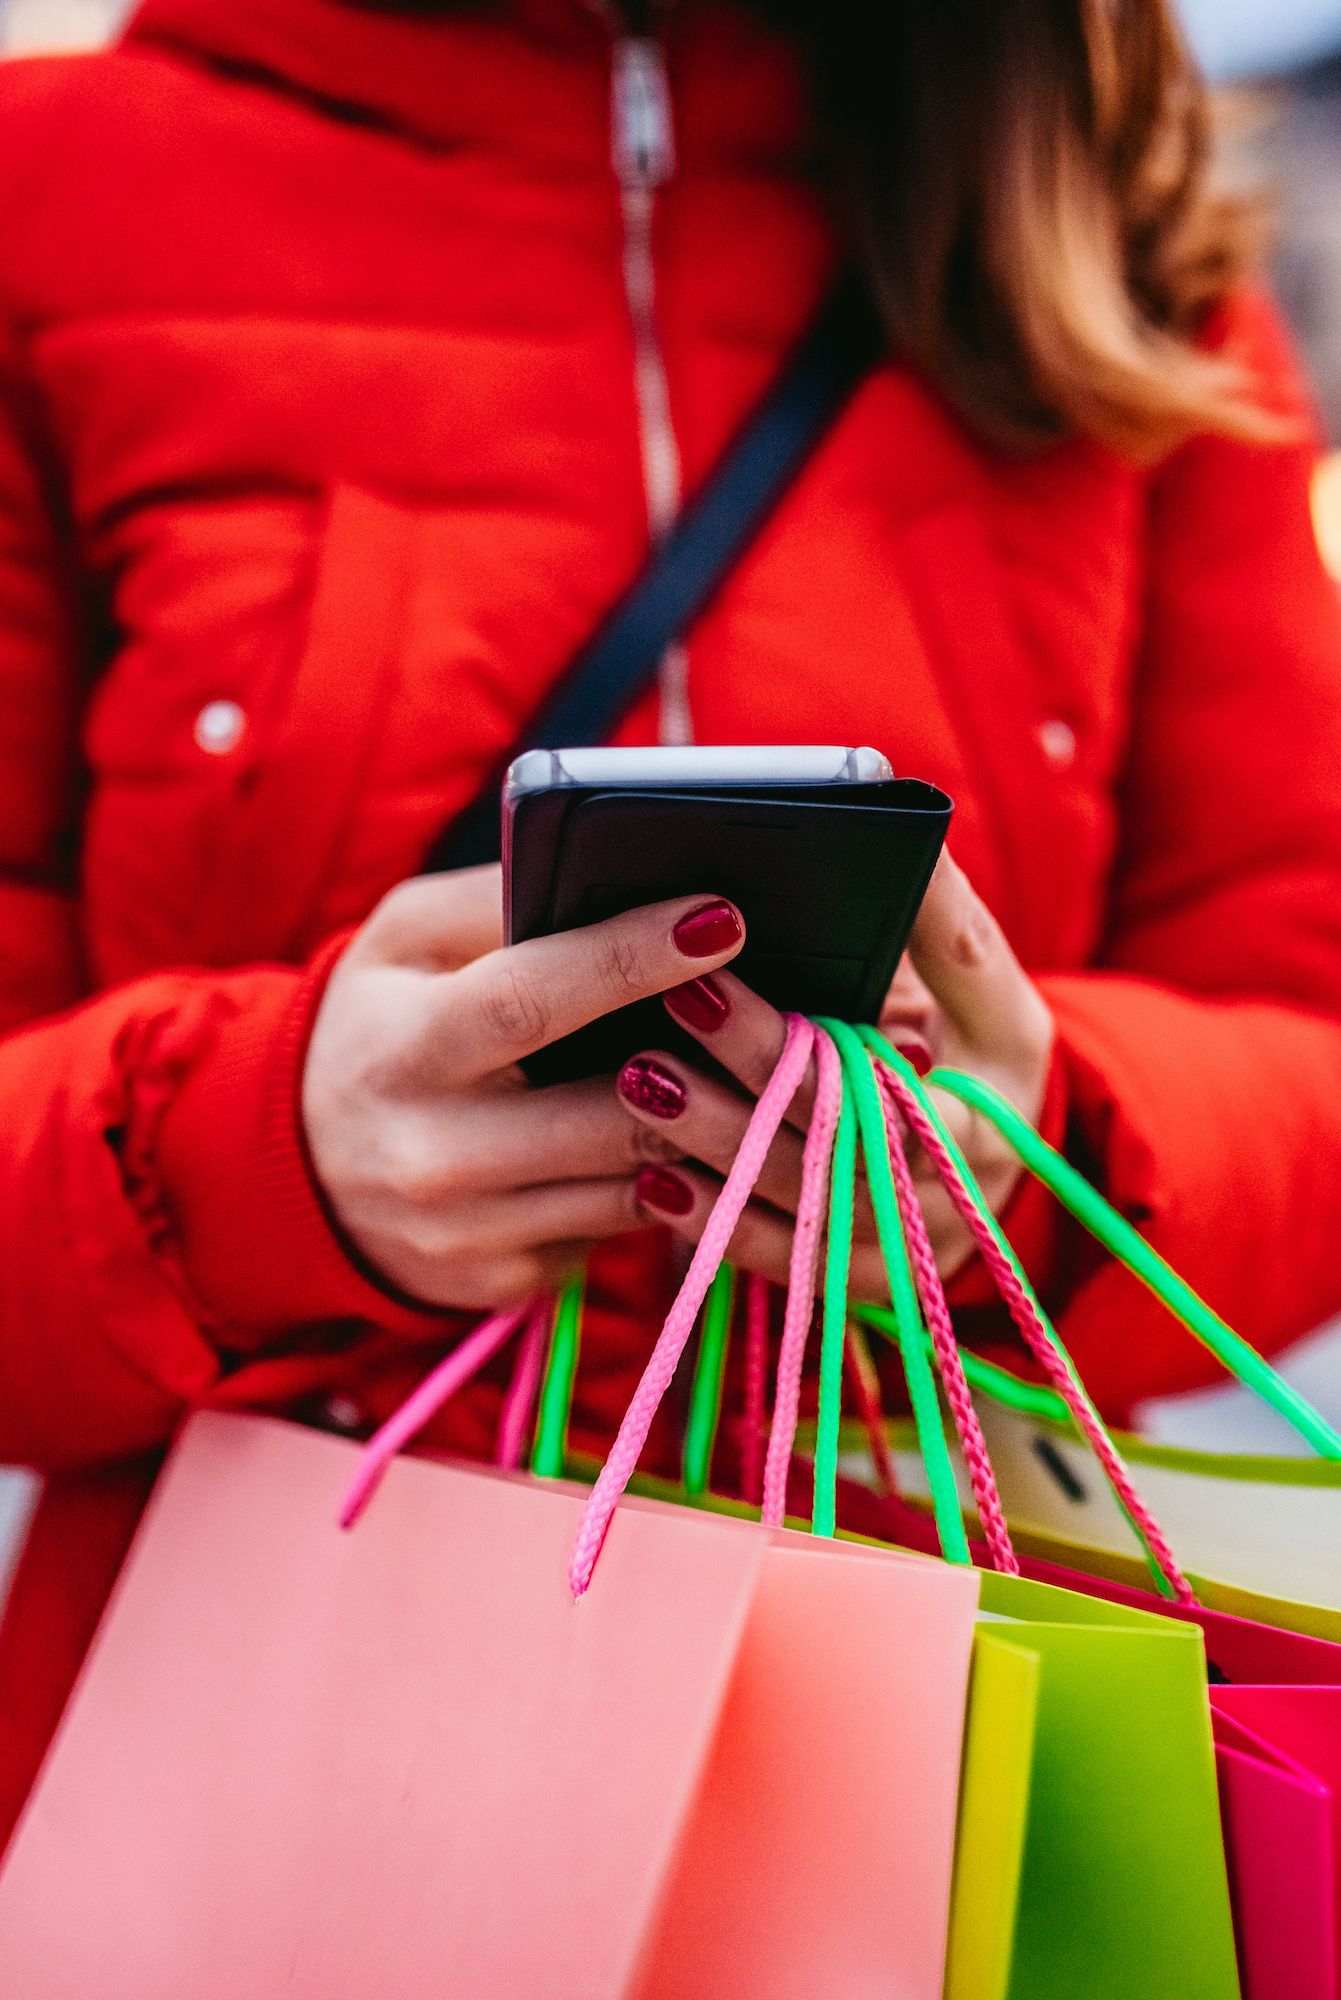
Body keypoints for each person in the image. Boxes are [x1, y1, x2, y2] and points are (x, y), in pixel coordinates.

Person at [2, 0, 1341, 1844]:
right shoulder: (50, 198)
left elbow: (1309, 1046)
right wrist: (256, 1156)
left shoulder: (1104, 228)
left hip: (939, 1735)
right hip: (263, 1744)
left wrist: (1050, 1147)